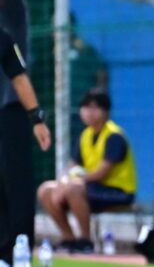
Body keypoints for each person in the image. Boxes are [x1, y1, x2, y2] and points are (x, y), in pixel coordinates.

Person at [37, 89, 136, 252]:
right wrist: (62, 182)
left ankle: (85, 240)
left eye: (95, 107)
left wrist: (70, 184)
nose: (89, 112)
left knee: (74, 188)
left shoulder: (114, 136)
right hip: (90, 188)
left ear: (106, 112)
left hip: (117, 191)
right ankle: (68, 238)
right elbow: (71, 166)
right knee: (46, 190)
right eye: (86, 107)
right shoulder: (85, 135)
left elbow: (101, 173)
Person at [0, 27, 52, 267]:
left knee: (12, 184)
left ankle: (11, 253)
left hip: (6, 117)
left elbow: (19, 77)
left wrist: (36, 118)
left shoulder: (3, 39)